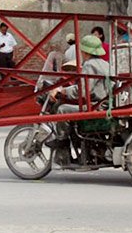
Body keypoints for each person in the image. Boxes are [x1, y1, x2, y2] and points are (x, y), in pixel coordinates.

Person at [46, 35, 111, 164]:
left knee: (62, 110)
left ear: (86, 52)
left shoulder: (89, 65)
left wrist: (63, 91)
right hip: (105, 103)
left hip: (96, 106)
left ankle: (62, 144)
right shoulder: (105, 64)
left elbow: (82, 90)